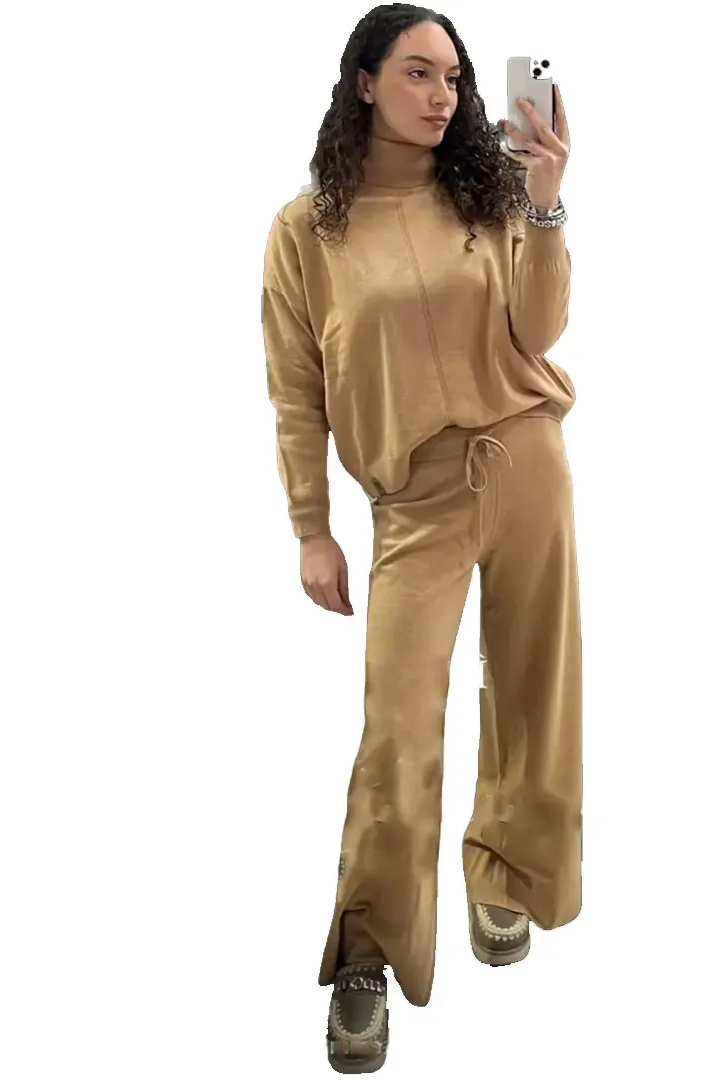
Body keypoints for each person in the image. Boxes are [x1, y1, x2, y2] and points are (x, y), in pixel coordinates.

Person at [261, 5, 581, 1072]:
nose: (443, 96)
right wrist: (311, 527)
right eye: (417, 73)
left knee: (532, 686)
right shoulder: (304, 233)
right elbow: (296, 391)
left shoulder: (484, 193)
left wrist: (544, 203)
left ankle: (508, 871)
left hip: (525, 459)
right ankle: (369, 952)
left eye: (452, 77)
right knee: (399, 722)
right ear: (363, 82)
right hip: (415, 500)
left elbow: (538, 329)